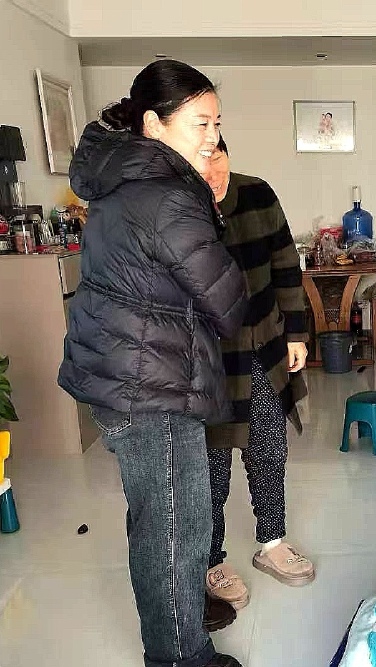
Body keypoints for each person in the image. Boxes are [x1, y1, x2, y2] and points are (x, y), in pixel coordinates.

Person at [59, 60, 247, 667]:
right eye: (199, 123)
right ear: (153, 124)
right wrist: (214, 215)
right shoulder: (166, 195)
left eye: (216, 122)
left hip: (131, 376)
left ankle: (178, 641)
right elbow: (227, 299)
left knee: (160, 522)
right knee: (174, 530)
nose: (212, 137)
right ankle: (179, 658)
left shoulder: (125, 180)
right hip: (150, 384)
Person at [201, 138, 315, 612]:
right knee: (210, 465)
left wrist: (296, 332)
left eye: (217, 156)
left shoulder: (257, 194)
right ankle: (210, 560)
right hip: (205, 357)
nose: (211, 170)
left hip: (262, 343)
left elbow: (287, 266)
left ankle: (272, 542)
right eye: (200, 159)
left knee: (268, 447)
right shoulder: (178, 204)